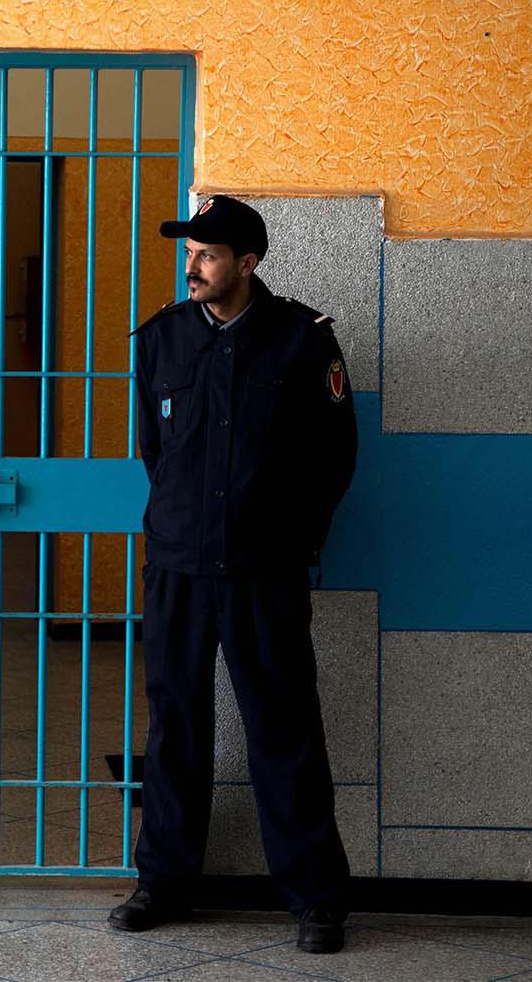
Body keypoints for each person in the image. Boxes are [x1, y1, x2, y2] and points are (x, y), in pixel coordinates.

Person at [110, 195, 357, 954]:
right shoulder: (161, 340)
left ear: (247, 263)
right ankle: (164, 881)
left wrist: (290, 541)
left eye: (208, 254)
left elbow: (334, 459)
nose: (194, 265)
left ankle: (315, 897)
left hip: (263, 574)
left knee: (283, 729)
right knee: (175, 727)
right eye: (191, 252)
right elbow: (157, 452)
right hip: (180, 568)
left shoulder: (302, 342)